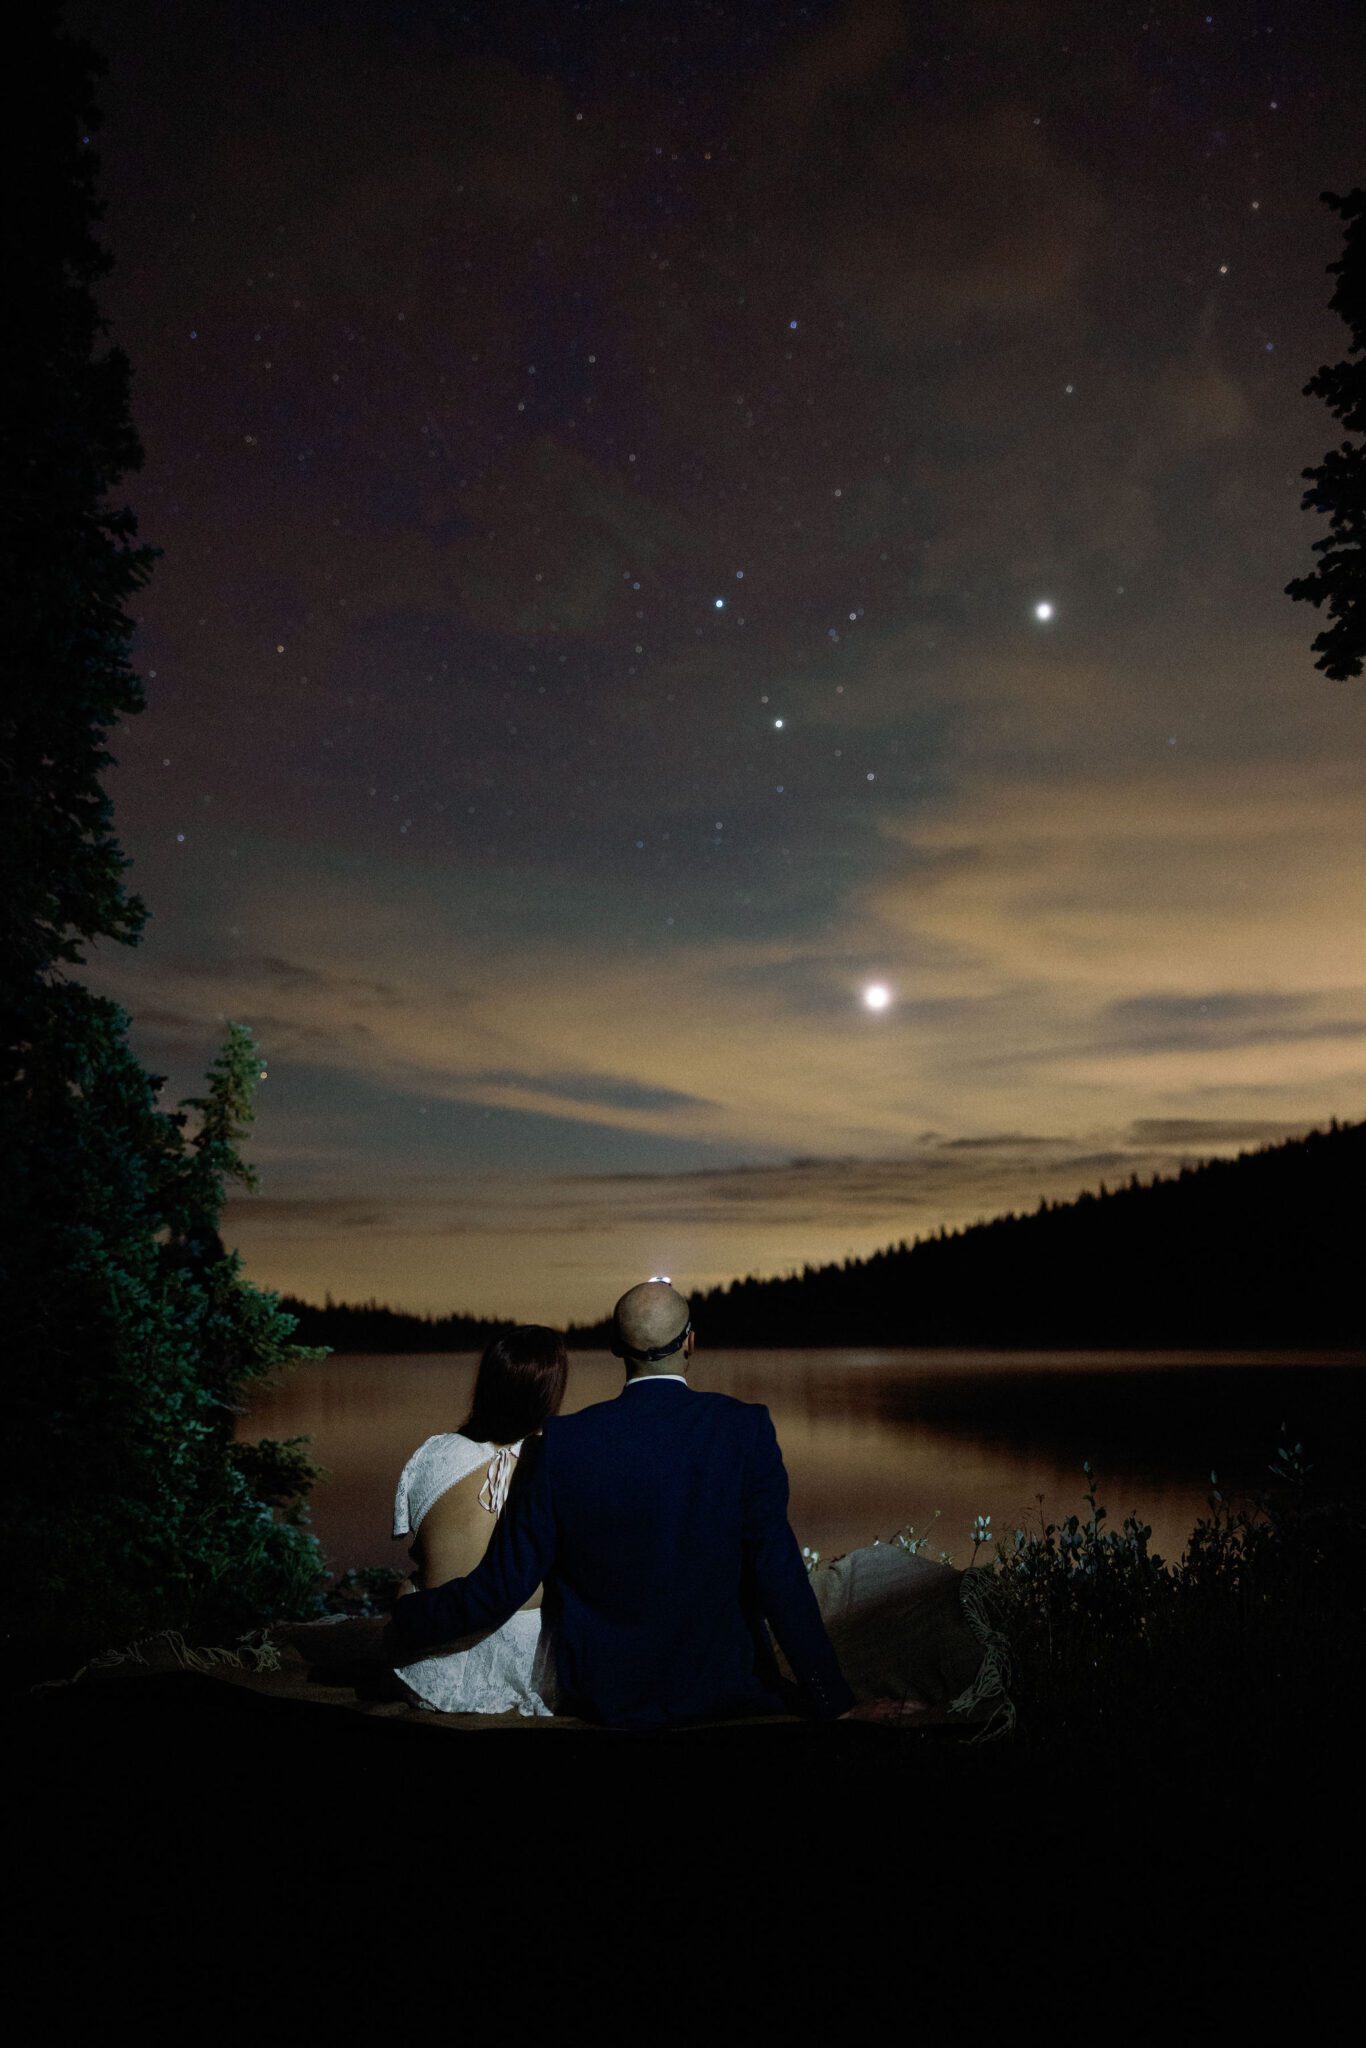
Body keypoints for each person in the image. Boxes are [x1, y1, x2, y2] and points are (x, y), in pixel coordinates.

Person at [390, 1279, 887, 1730]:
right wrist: (834, 1702)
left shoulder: (561, 1444)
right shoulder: (744, 1430)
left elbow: (501, 1586)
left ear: (613, 1347)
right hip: (725, 1690)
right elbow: (778, 1573)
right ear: (691, 1341)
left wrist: (410, 1618)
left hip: (606, 1698)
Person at [389, 1324, 567, 1717]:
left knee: (413, 1580)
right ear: (550, 1392)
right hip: (531, 1669)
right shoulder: (560, 1461)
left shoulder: (435, 1454)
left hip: (432, 1667)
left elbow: (418, 1548)